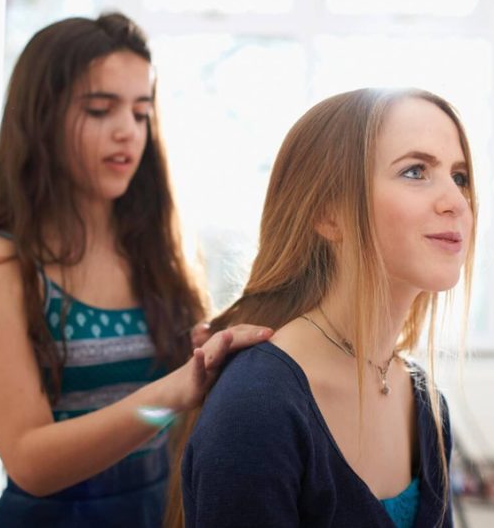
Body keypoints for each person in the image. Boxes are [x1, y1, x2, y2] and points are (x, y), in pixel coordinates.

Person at [0, 12, 271, 528]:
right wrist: (174, 391)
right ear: (41, 118)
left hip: (161, 510)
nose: (127, 132)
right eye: (100, 109)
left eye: (141, 113)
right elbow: (31, 462)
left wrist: (206, 361)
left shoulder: (157, 248)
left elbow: (178, 413)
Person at [175, 88, 477, 528]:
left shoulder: (427, 407)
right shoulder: (256, 410)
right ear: (328, 214)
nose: (456, 201)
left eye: (460, 177)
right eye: (415, 171)